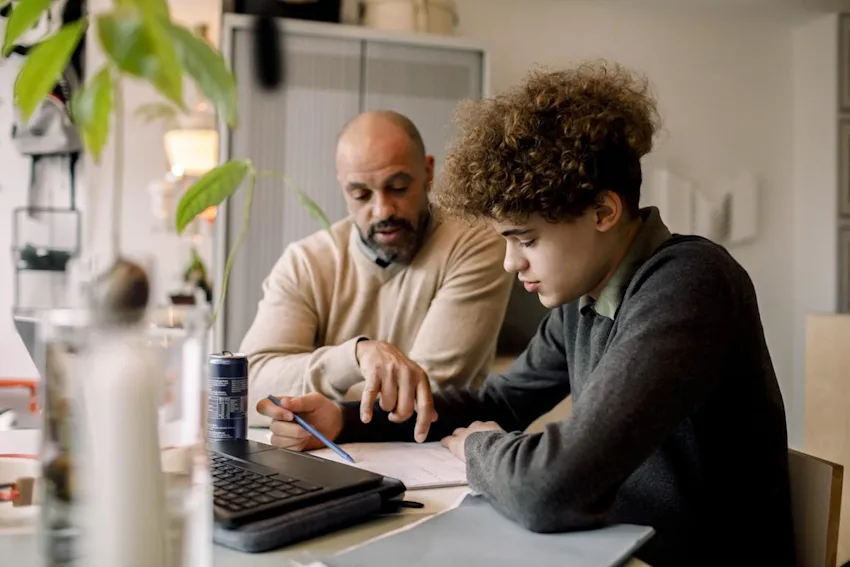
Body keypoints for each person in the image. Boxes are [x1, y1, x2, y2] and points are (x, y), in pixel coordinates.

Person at [255, 63, 794, 566]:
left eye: (525, 240)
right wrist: (343, 420)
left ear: (603, 211)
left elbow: (551, 488)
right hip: (614, 548)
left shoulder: (688, 284)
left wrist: (478, 450)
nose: (512, 263)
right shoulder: (584, 299)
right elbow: (499, 402)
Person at [241, 110, 513, 428]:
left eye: (398, 187)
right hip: (323, 456)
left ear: (428, 172)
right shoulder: (305, 262)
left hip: (434, 456)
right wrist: (354, 357)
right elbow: (246, 390)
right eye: (361, 195)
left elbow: (428, 393)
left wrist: (313, 405)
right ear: (343, 188)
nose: (383, 209)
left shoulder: (475, 243)